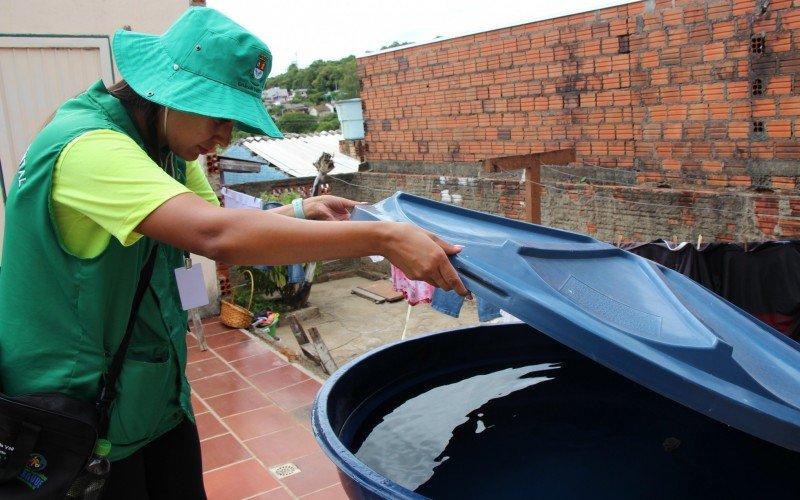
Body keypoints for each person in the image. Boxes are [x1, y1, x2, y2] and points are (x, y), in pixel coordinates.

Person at [0, 7, 467, 499]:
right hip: (68, 413)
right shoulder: (88, 147)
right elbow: (214, 234)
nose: (225, 137)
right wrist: (384, 238)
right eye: (219, 115)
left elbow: (225, 228)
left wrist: (301, 211)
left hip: (145, 397)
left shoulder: (165, 150)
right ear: (167, 90)